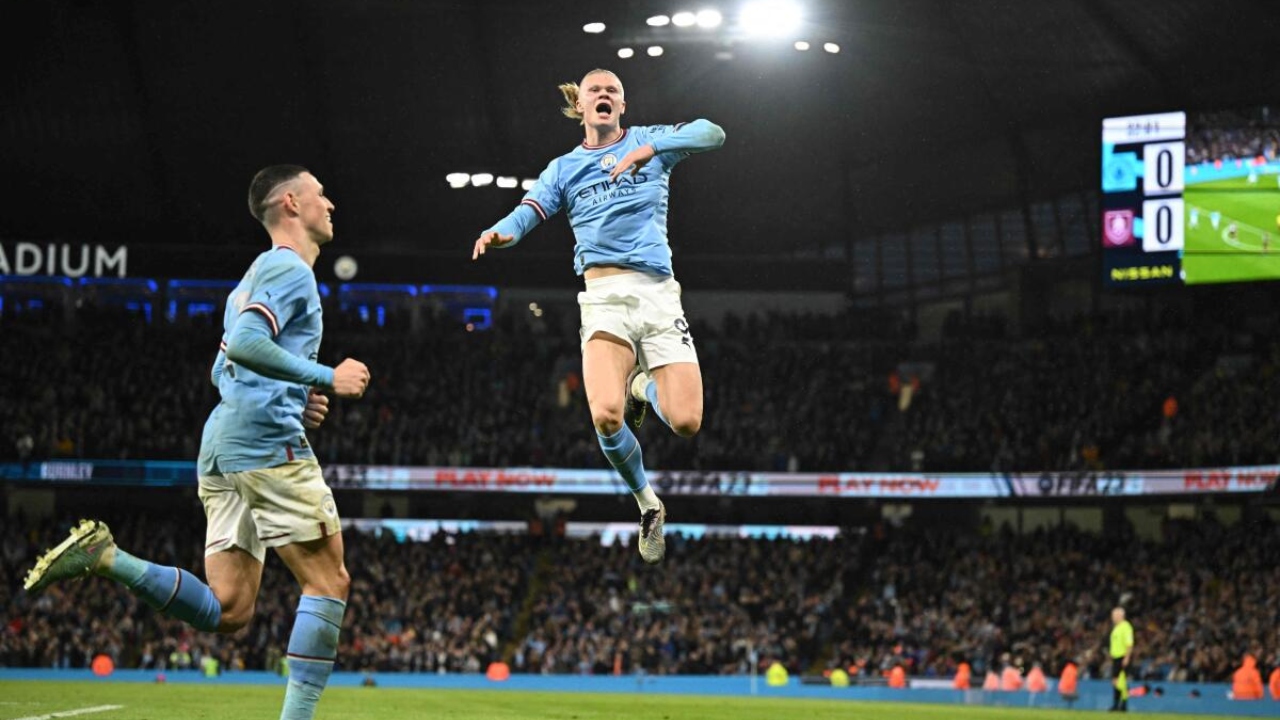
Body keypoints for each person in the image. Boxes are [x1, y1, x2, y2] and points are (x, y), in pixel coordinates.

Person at [23, 165, 371, 720]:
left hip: (223, 440)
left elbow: (221, 368)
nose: (330, 205)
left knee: (230, 610)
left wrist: (293, 390)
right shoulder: (290, 271)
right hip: (263, 444)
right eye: (320, 195)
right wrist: (326, 377)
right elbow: (246, 348)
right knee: (328, 580)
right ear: (289, 203)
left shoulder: (253, 278)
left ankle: (108, 557)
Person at [471, 69, 725, 563]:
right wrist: (500, 232)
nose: (604, 95)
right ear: (582, 108)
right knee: (605, 415)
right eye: (596, 91)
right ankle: (648, 505)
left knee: (687, 422)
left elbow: (713, 133)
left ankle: (641, 388)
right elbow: (527, 212)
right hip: (604, 295)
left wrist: (647, 151)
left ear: (622, 107)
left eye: (613, 91)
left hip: (657, 295)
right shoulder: (564, 168)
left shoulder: (652, 141)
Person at [1109, 606, 1135, 712]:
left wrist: (1127, 657)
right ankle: (1117, 704)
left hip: (1122, 657)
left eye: (1114, 615)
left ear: (1120, 615)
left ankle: (1122, 705)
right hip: (1116, 657)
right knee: (1116, 682)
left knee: (1121, 682)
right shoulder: (1117, 627)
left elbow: (1129, 643)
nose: (1112, 617)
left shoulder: (1126, 627)